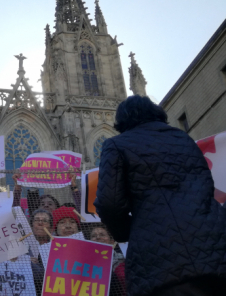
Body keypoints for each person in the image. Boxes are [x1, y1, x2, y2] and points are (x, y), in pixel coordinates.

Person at [95, 95, 226, 296]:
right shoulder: (183, 138)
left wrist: (126, 232)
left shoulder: (117, 145)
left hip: (164, 257)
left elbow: (109, 203)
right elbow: (206, 185)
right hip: (215, 246)